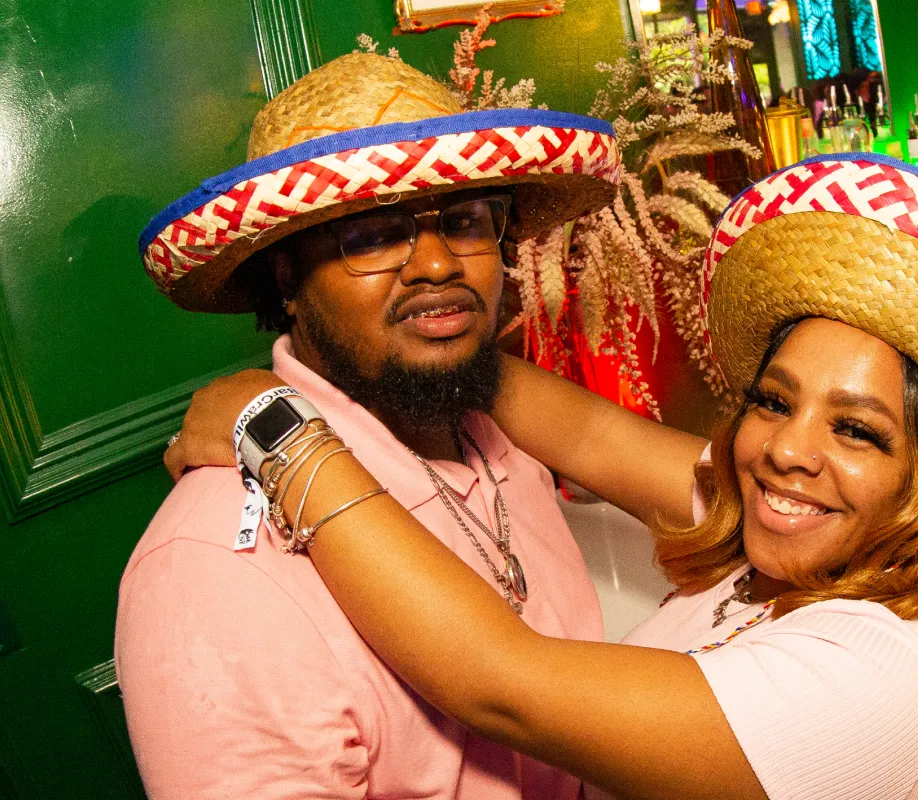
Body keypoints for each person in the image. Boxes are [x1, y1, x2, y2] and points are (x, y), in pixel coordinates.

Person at [167, 155, 918, 799]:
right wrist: (431, 327)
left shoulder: (869, 671)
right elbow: (589, 432)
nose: (789, 449)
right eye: (772, 400)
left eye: (856, 428)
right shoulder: (794, 525)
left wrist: (279, 430)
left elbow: (499, 682)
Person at [116, 51, 624, 799]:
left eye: (463, 221)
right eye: (372, 236)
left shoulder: (501, 440)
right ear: (287, 277)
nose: (436, 264)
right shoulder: (215, 568)